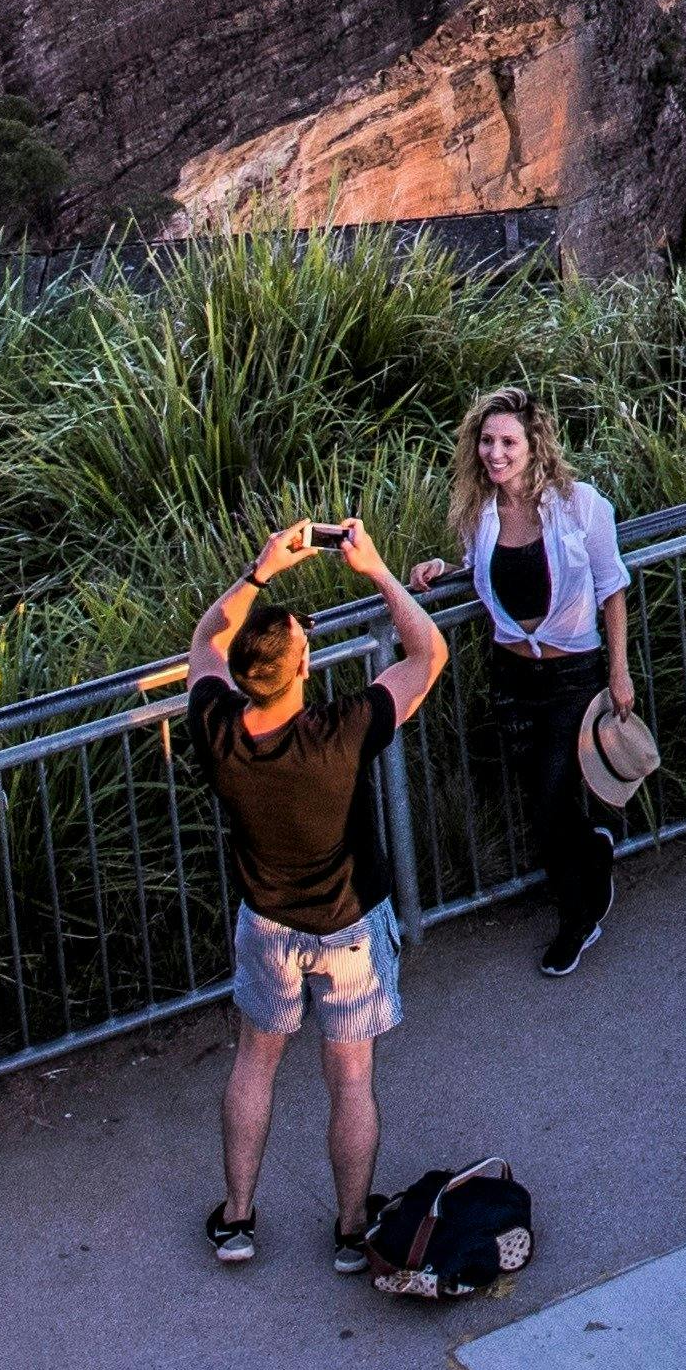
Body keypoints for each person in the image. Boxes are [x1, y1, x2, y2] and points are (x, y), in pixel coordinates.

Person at [181, 510, 442, 1269]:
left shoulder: (218, 728)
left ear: (245, 676)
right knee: (350, 1076)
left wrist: (261, 569)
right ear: (301, 668)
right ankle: (353, 1229)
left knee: (255, 1063)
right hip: (351, 925)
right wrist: (379, 571)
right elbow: (428, 654)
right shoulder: (344, 728)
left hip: (267, 925)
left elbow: (203, 644)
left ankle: (236, 1219)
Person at [418, 386, 634, 969]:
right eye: (487, 441)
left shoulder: (580, 505)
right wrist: (444, 570)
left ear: (534, 445)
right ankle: (593, 860)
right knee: (541, 799)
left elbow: (612, 587)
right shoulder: (477, 514)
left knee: (550, 800)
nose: (495, 453)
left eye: (508, 441)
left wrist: (619, 671)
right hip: (513, 673)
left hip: (573, 673)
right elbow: (482, 570)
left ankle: (577, 920)